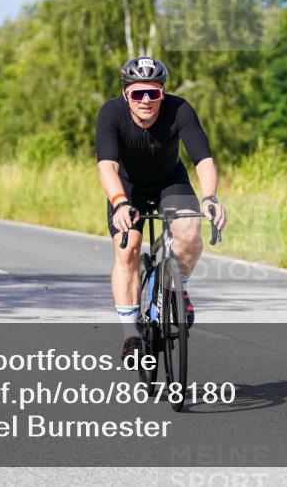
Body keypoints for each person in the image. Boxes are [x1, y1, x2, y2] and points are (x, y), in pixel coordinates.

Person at [95, 56, 227, 362]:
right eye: (138, 93)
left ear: (162, 94)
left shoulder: (179, 110)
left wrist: (210, 198)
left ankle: (177, 288)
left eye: (152, 93)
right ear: (126, 93)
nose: (145, 101)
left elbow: (203, 160)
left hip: (170, 180)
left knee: (190, 234)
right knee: (128, 248)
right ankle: (130, 334)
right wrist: (119, 203)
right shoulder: (111, 113)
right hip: (128, 188)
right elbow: (107, 166)